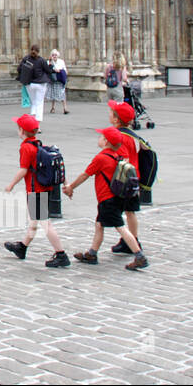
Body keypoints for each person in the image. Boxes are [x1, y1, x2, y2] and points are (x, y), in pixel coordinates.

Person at [63, 128, 149, 271]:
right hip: (115, 198)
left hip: (107, 199)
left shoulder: (101, 158)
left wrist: (71, 187)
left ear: (106, 141)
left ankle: (139, 256)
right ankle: (92, 254)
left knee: (120, 228)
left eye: (101, 137)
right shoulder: (116, 156)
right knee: (99, 225)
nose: (99, 139)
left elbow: (85, 175)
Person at [3, 114, 69, 267]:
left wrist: (11, 184)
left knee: (46, 224)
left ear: (21, 131)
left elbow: (24, 170)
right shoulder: (37, 144)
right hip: (43, 188)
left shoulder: (26, 147)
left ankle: (61, 254)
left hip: (35, 190)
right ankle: (22, 247)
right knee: (34, 221)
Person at [106, 101, 143, 255]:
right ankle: (132, 239)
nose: (108, 114)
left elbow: (124, 160)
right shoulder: (131, 135)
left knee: (124, 212)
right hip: (135, 178)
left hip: (125, 181)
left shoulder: (120, 137)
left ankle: (131, 242)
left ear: (116, 119)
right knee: (130, 211)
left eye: (111, 112)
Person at [18, 45, 52, 122]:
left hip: (29, 84)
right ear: (38, 51)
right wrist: (50, 64)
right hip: (40, 84)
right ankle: (37, 124)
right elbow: (48, 71)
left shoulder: (26, 59)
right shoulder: (42, 60)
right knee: (39, 103)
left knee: (33, 103)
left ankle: (32, 121)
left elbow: (19, 69)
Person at [46, 49, 69, 115]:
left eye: (55, 55)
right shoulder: (49, 62)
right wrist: (53, 68)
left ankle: (65, 108)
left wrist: (61, 71)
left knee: (62, 94)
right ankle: (53, 108)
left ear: (58, 55)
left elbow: (65, 69)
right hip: (53, 80)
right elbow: (48, 69)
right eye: (53, 55)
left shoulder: (61, 61)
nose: (54, 56)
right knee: (53, 94)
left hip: (60, 80)